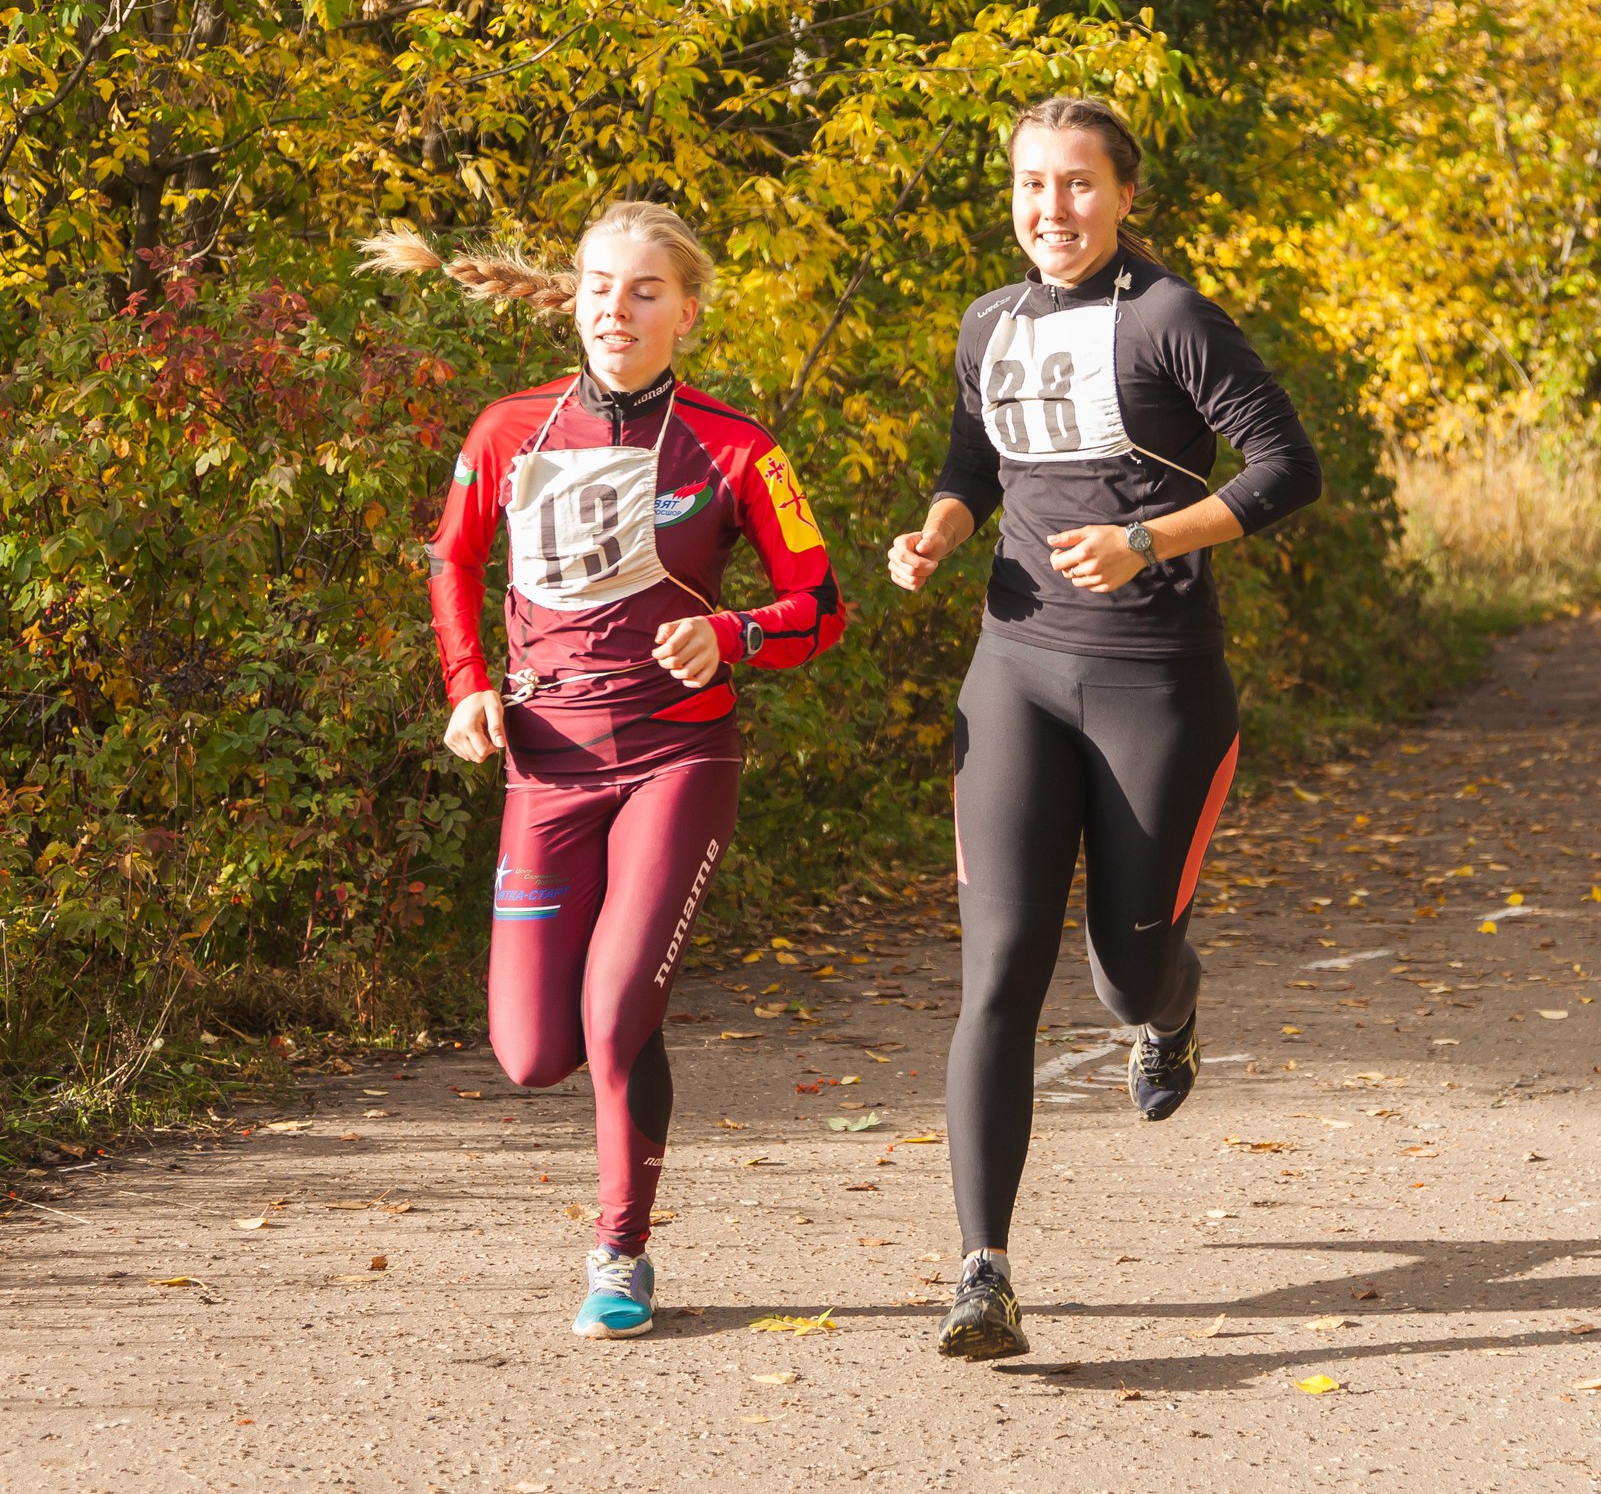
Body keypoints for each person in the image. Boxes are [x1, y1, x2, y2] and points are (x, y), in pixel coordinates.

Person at [885, 96, 1321, 1362]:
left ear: (1124, 195)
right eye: (1030, 184)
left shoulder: (1168, 318)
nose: (1051, 209)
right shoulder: (987, 322)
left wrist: (1148, 541)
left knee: (1126, 968)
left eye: (1077, 185)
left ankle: (1168, 1008)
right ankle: (983, 1272)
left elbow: (1287, 466)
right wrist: (937, 535)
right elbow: (975, 463)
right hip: (1012, 669)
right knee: (1000, 969)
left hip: (1155, 683)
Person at [370, 202, 845, 1339]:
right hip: (547, 762)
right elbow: (452, 557)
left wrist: (731, 634)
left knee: (617, 1004)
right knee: (534, 1051)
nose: (615, 309)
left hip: (680, 753)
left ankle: (620, 1250)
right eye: (597, 285)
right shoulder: (510, 429)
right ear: (570, 295)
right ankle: (617, 1026)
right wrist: (466, 684)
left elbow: (820, 608)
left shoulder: (738, 445)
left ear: (688, 309)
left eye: (643, 291)